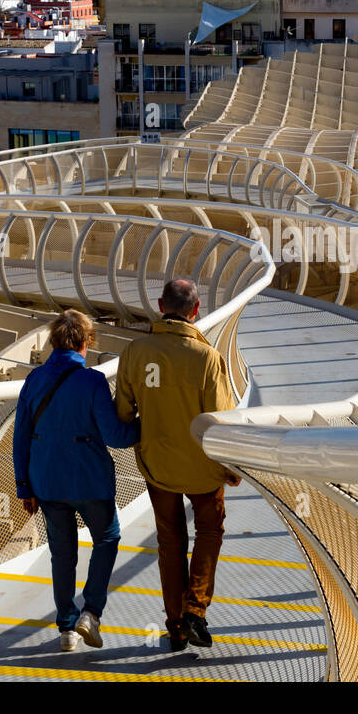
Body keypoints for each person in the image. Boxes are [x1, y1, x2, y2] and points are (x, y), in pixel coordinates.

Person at [115, 279, 239, 652]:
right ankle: (195, 610)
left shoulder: (135, 352)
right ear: (196, 310)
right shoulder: (208, 358)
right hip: (204, 467)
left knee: (170, 542)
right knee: (209, 531)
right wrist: (231, 467)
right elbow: (221, 420)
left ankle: (175, 628)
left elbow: (123, 411)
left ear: (159, 305)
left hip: (158, 466)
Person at [12, 309, 139, 651]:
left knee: (62, 553)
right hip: (89, 480)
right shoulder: (94, 381)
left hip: (46, 481)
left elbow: (20, 437)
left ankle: (67, 628)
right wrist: (144, 425)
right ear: (85, 343)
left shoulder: (34, 381)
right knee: (107, 539)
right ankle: (91, 612)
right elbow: (115, 436)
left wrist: (24, 486)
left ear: (54, 342)